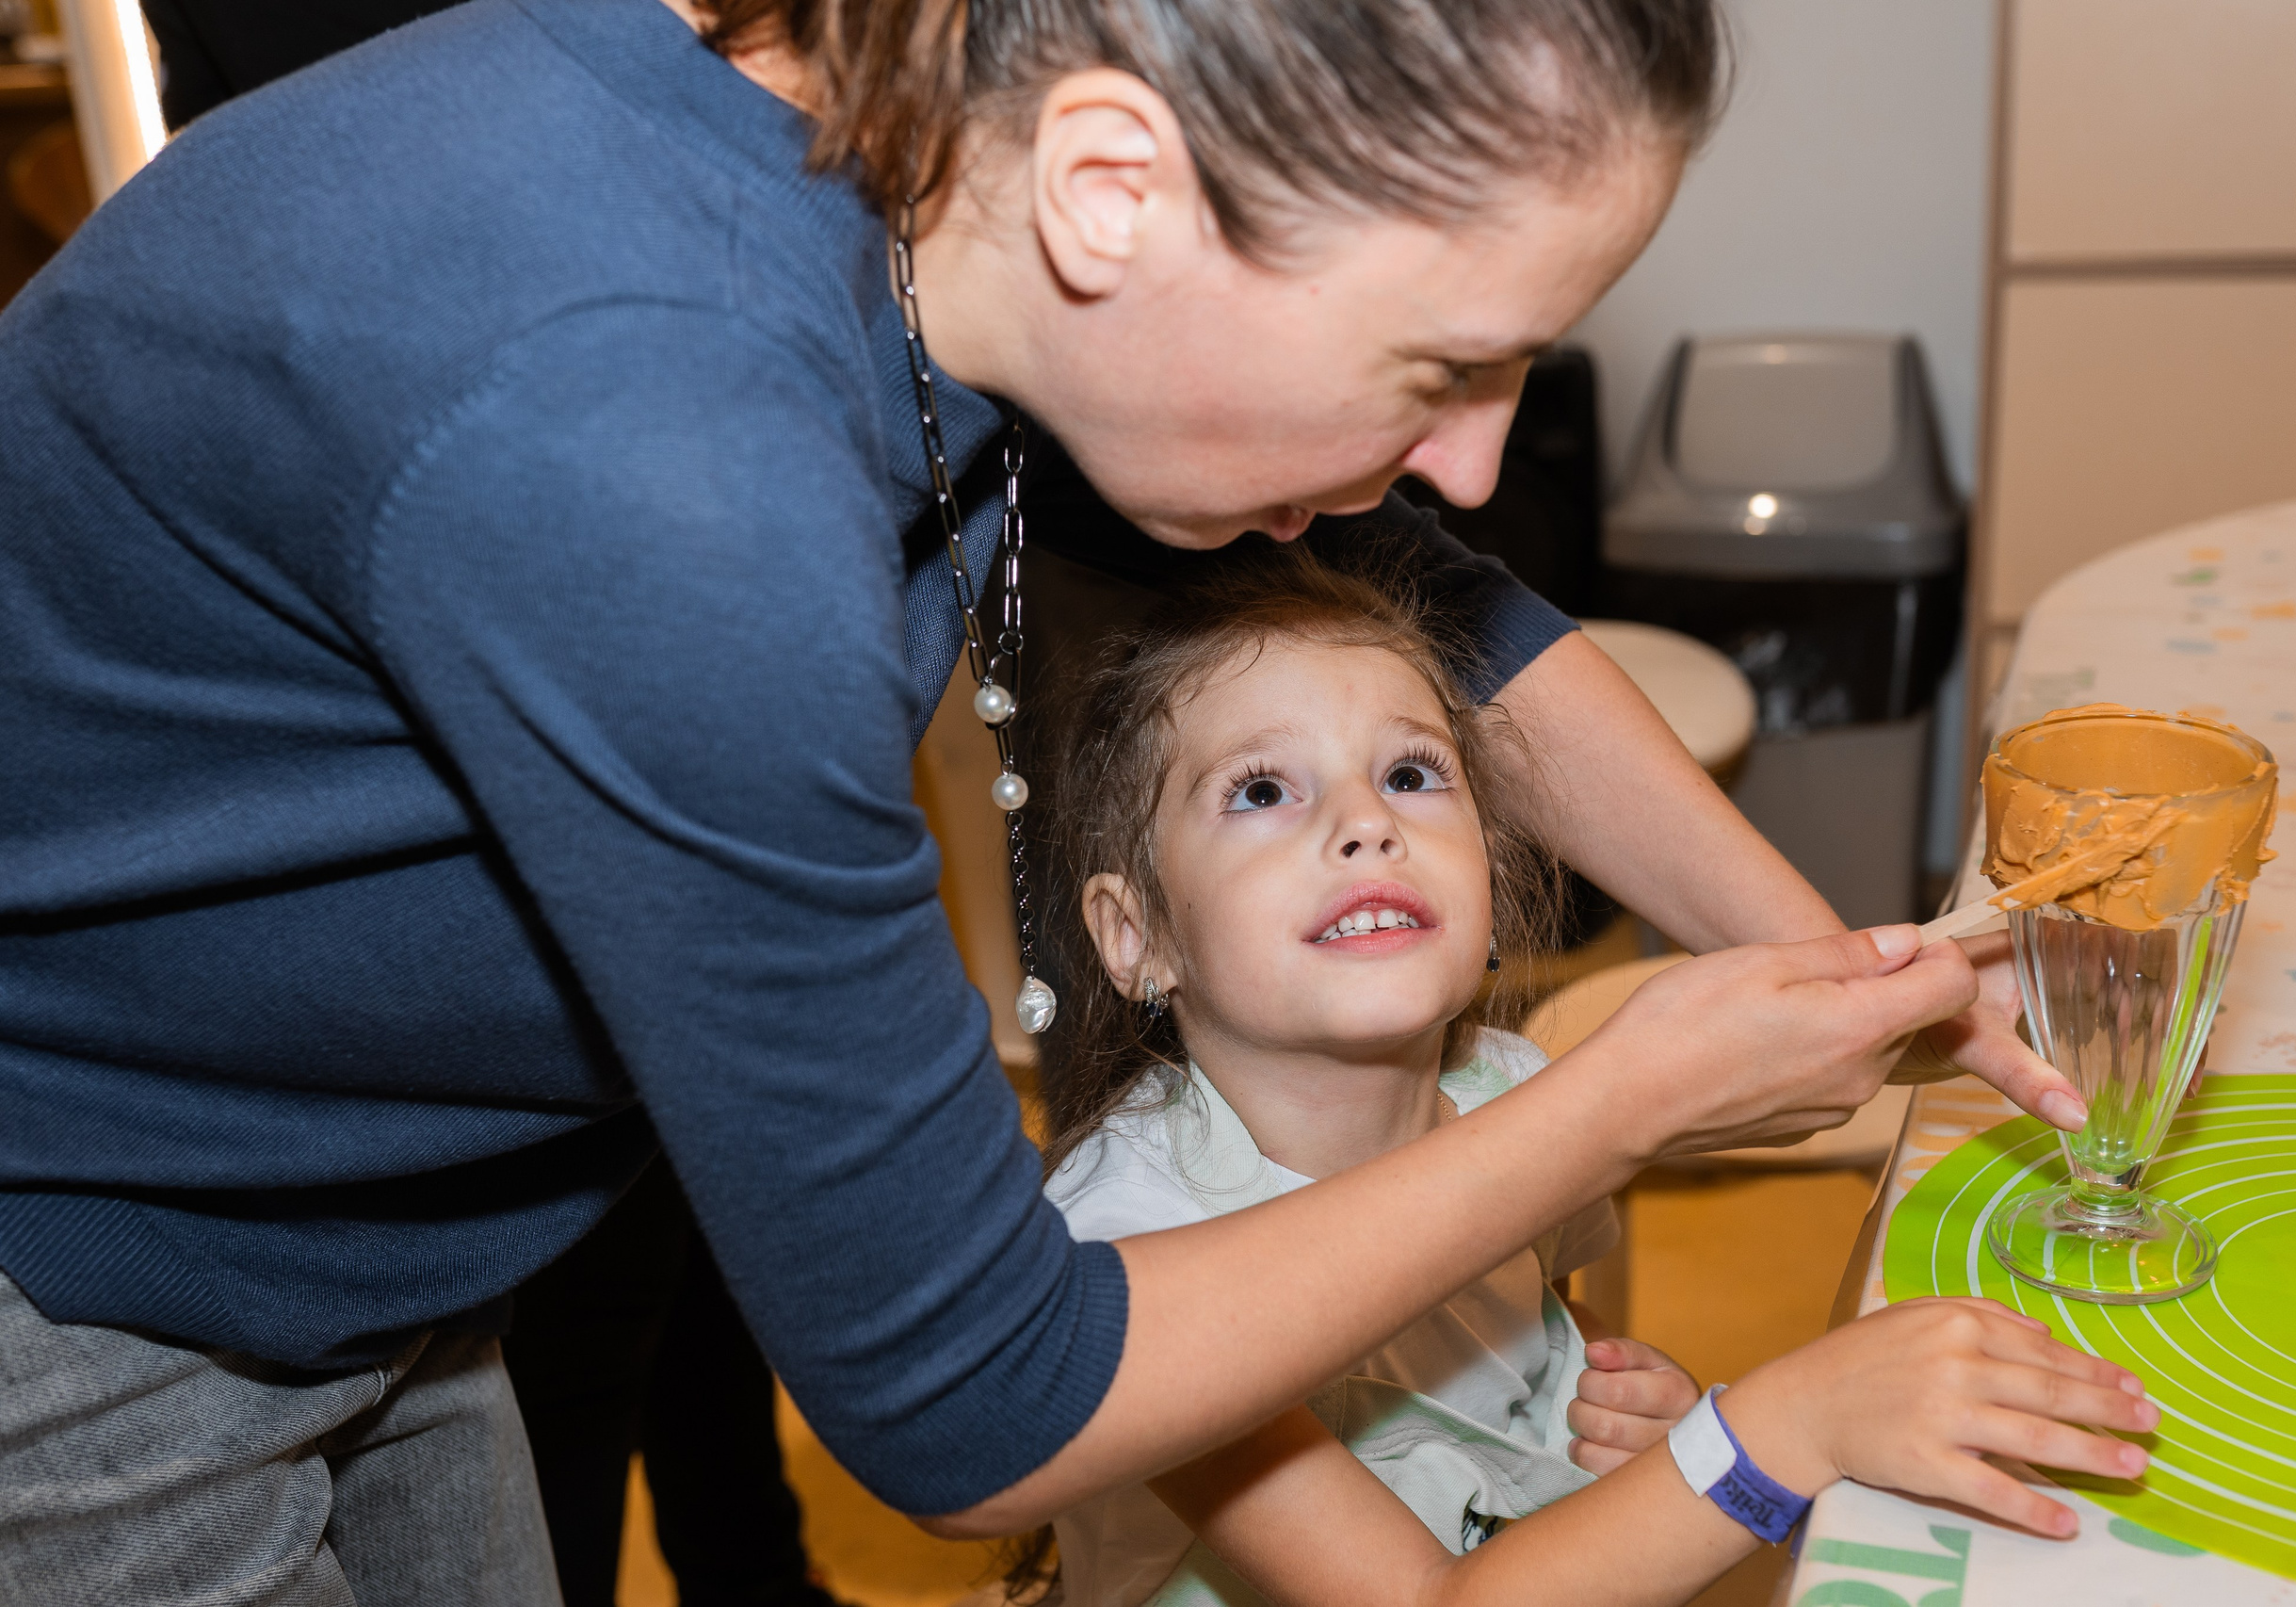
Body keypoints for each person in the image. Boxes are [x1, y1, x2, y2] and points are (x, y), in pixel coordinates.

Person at [0, 0, 2081, 1599]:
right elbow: (971, 1399)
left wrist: (1828, 965)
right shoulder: (656, 454)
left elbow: (1434, 605)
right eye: (1443, 363)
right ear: (1117, 188)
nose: (1468, 458)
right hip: (87, 1296)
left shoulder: (956, 202)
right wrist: (1614, 1100)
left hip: (397, 1261)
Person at [1023, 551, 2153, 1606]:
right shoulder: (1132, 1246)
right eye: (1261, 790)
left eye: (1412, 772)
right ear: (1136, 937)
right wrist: (1783, 1426)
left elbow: (1547, 1341)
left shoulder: (1519, 1097)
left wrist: (1640, 1412)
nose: (1364, 822)